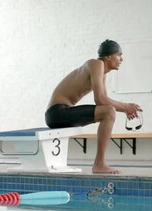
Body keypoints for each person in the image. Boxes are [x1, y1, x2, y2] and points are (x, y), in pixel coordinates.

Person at [45, 39, 142, 174]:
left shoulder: (102, 72)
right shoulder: (96, 64)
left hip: (62, 113)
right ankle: (99, 164)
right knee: (109, 112)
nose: (122, 59)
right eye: (119, 55)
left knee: (109, 111)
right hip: (57, 113)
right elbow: (100, 100)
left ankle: (99, 163)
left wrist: (125, 108)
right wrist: (126, 107)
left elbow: (104, 101)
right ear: (108, 56)